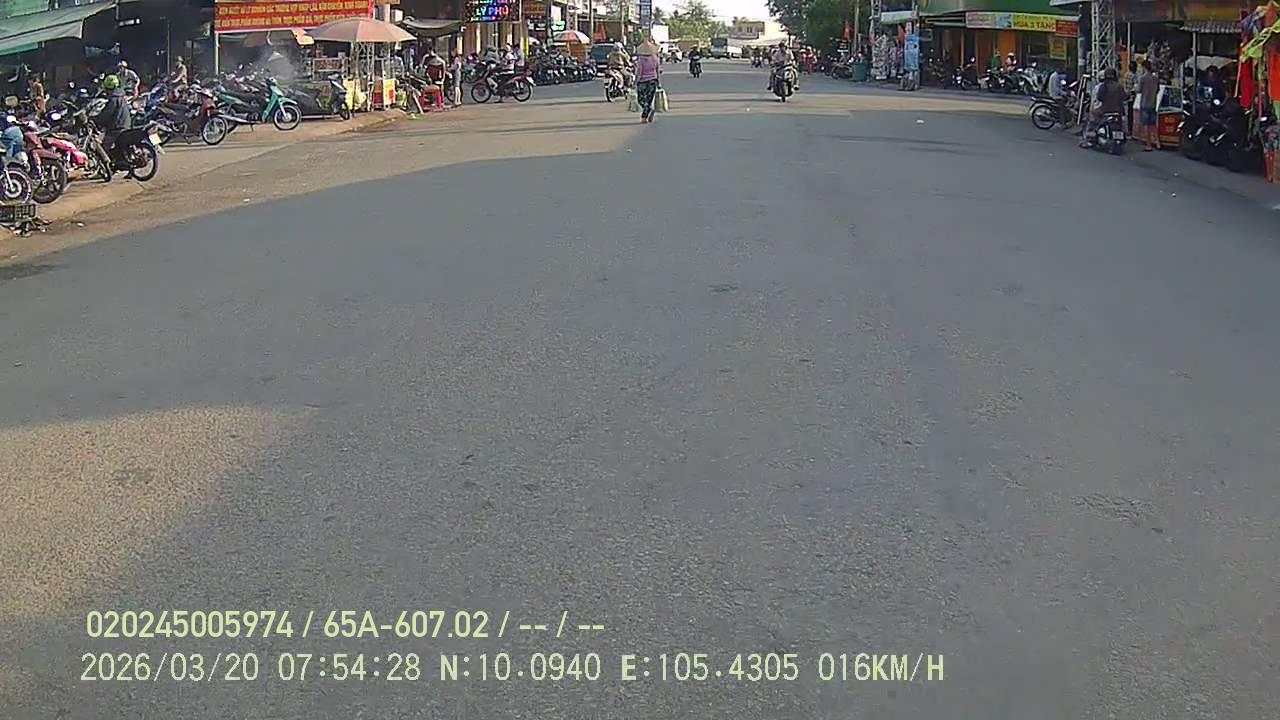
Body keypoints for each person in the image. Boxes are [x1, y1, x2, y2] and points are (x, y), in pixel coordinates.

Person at [93, 74, 130, 180]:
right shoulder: (121, 96)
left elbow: (107, 115)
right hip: (125, 125)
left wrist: (96, 120)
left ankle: (108, 168)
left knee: (104, 148)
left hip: (116, 127)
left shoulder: (113, 99)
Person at [1081, 67, 1123, 148]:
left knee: (1092, 118)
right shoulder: (1119, 86)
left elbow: (1100, 97)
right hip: (1118, 111)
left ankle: (1089, 137)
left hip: (1106, 110)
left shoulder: (1103, 86)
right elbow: (1124, 96)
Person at [634, 39, 661, 123]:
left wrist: (635, 82)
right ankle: (646, 114)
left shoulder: (641, 60)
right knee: (649, 100)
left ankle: (645, 115)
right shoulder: (655, 59)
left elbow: (639, 72)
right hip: (653, 81)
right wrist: (658, 82)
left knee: (641, 100)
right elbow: (657, 71)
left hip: (642, 82)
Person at [1137, 58, 1160, 150]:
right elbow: (1158, 90)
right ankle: (1158, 143)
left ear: (1144, 68)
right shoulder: (1155, 79)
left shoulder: (1142, 78)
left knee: (1146, 124)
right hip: (1153, 103)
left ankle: (1148, 145)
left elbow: (1139, 90)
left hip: (1144, 103)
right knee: (1153, 125)